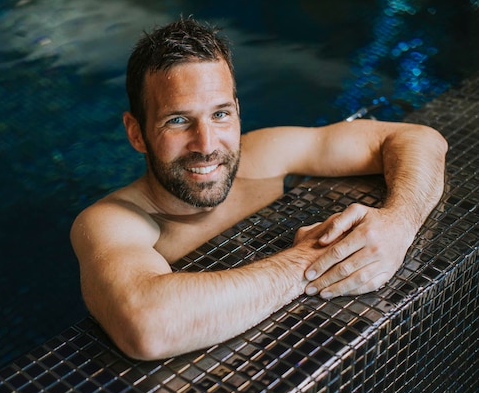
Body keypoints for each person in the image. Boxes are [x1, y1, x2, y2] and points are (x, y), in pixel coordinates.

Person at [70, 18, 447, 360]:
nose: (206, 143)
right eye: (179, 120)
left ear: (237, 110)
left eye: (220, 114)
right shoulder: (115, 220)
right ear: (136, 132)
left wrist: (399, 222)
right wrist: (313, 261)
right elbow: (147, 325)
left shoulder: (265, 154)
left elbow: (417, 138)